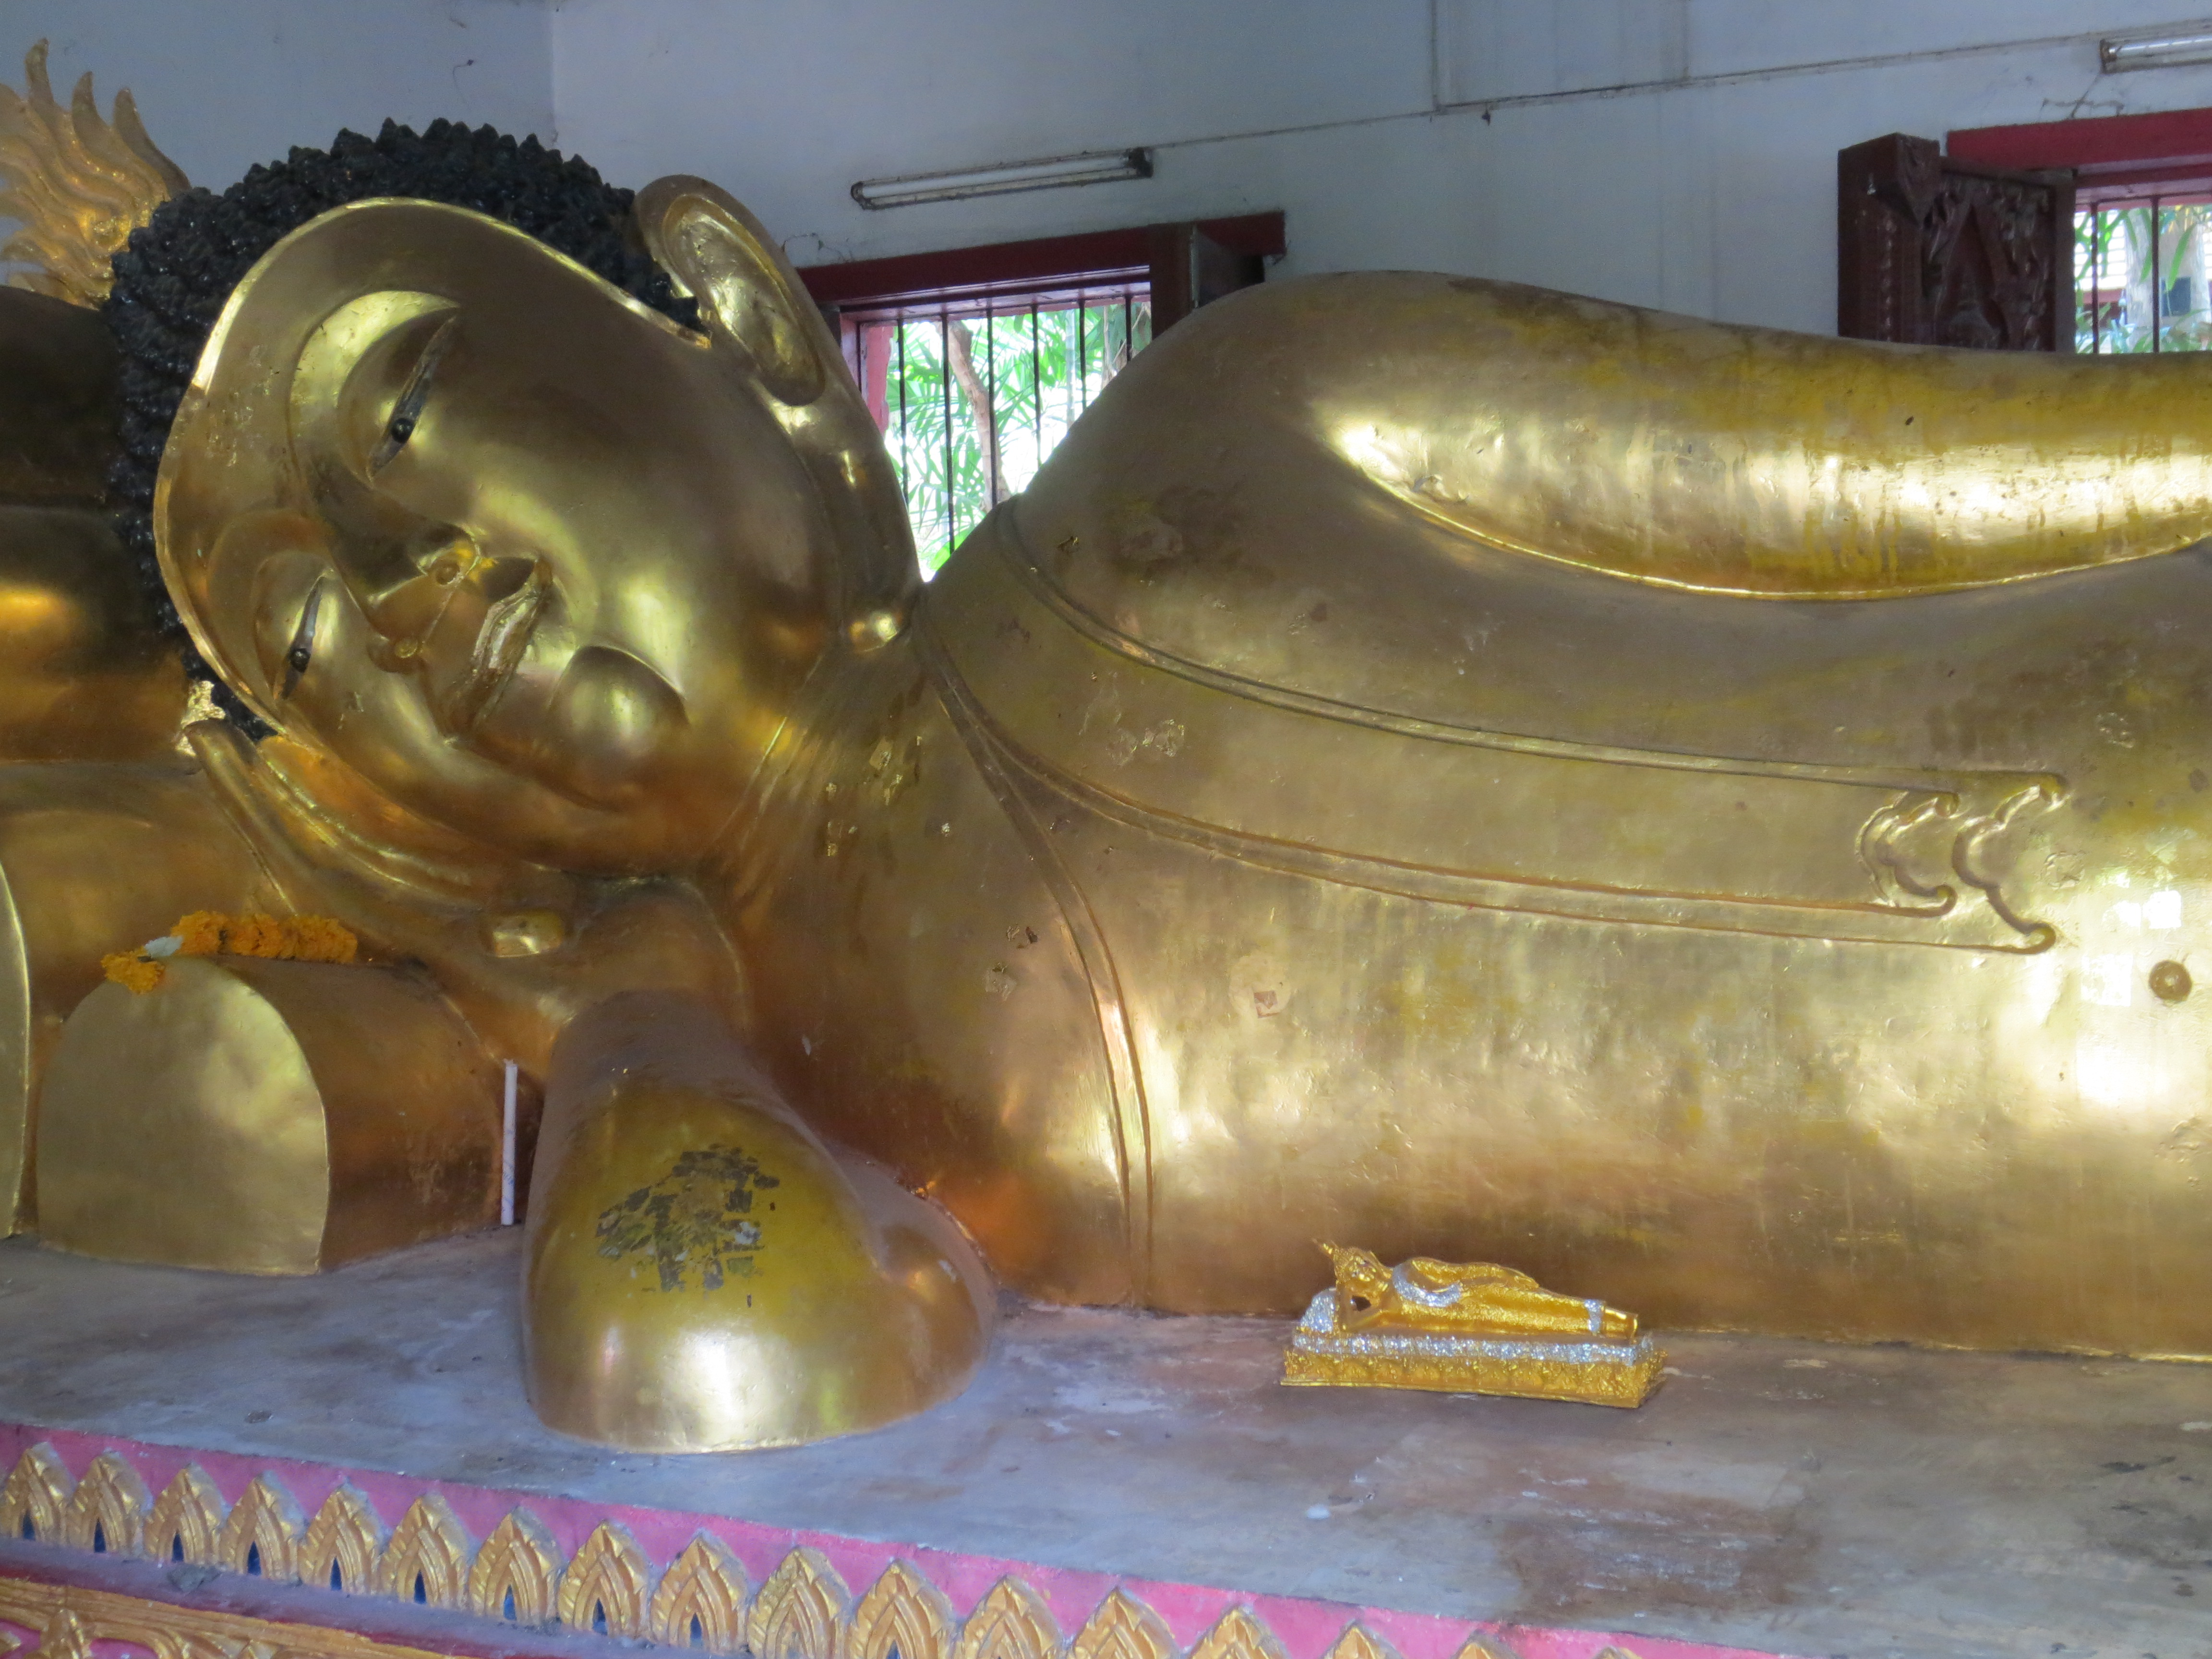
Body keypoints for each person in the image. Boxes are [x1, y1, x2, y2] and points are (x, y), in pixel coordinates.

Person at [12, 78, 2212, 1449]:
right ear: (361, 807)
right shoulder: (851, 1095)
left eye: (401, 417)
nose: (410, 589)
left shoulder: (1233, 418)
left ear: (743, 323)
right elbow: (719, 1352)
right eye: (309, 638)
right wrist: (613, 1011)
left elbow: (2058, 470)